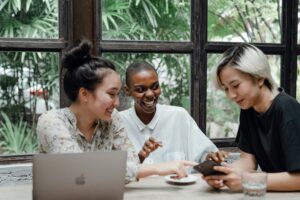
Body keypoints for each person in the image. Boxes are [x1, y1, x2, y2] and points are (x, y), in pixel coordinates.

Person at [36, 40, 196, 184]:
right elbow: (79, 170)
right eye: (111, 94)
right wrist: (158, 168)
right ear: (84, 94)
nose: (117, 103)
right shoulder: (52, 122)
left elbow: (132, 165)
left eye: (118, 94)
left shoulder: (112, 119)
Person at [203, 43, 300, 191]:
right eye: (226, 89)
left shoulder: (288, 110)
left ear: (259, 78)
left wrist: (247, 180)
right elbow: (247, 160)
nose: (231, 95)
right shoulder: (248, 108)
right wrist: (225, 174)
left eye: (235, 85)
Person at [120, 61, 228, 164]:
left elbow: (203, 155)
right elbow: (118, 171)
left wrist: (212, 157)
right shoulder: (118, 122)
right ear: (127, 90)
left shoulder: (179, 116)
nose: (149, 94)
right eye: (140, 89)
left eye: (155, 87)